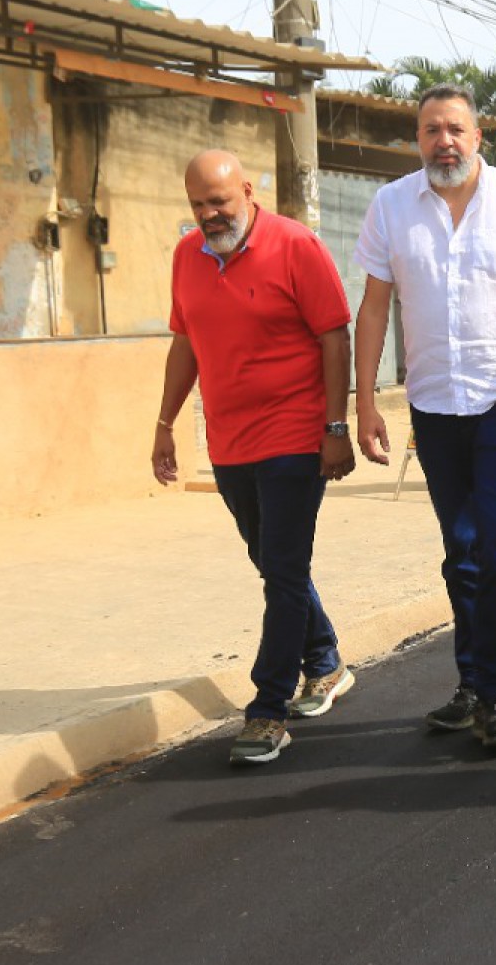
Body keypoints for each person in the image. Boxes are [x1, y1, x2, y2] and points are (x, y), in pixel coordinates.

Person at [352, 84, 496, 753]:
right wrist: (364, 401)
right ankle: (472, 683)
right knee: (461, 547)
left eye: (455, 129)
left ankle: (495, 695)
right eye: (431, 130)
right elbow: (373, 309)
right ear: (417, 141)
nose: (443, 141)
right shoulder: (391, 206)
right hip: (433, 402)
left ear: (477, 137)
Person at [153, 150, 357, 766]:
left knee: (285, 571)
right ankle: (324, 661)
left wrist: (336, 426)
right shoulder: (187, 256)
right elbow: (185, 342)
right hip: (229, 442)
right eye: (198, 205)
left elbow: (334, 335)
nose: (210, 215)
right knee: (271, 562)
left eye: (219, 201)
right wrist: (164, 424)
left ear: (246, 191)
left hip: (294, 435)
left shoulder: (296, 246)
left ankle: (268, 710)